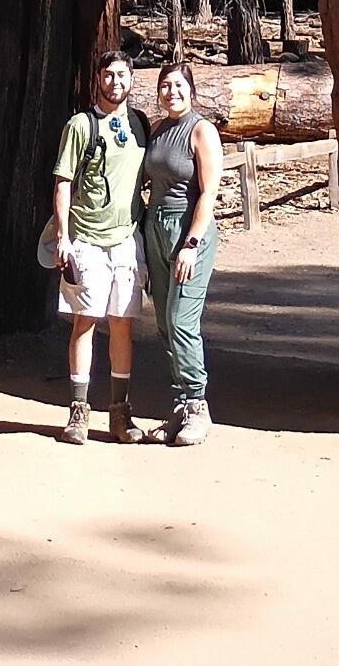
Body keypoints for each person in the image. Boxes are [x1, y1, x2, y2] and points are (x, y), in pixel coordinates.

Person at [51, 49, 149, 445]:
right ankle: (79, 411)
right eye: (109, 75)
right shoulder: (80, 125)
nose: (116, 82)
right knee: (85, 321)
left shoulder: (140, 125)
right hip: (87, 239)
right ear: (98, 80)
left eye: (122, 75)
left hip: (126, 240)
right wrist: (63, 237)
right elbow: (62, 180)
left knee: (122, 324)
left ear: (131, 80)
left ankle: (120, 413)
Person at [142, 60, 223, 445]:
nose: (171, 92)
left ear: (190, 90)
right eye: (164, 86)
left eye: (178, 85)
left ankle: (198, 406)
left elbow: (208, 192)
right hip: (155, 228)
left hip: (188, 231)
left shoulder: (201, 130)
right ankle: (179, 407)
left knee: (180, 320)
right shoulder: (158, 131)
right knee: (162, 321)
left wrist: (191, 243)